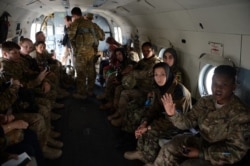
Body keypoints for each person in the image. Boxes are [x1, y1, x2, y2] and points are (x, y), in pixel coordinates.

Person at [153, 65, 250, 166]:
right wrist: (172, 114)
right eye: (215, 83)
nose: (217, 88)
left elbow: (234, 152)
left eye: (224, 84)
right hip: (202, 143)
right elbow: (187, 122)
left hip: (220, 156)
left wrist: (202, 154)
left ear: (233, 87)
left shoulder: (241, 114)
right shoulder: (205, 102)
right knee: (171, 146)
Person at [123, 62, 192, 164]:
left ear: (168, 75)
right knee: (143, 122)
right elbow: (154, 109)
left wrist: (149, 127)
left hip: (180, 123)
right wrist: (145, 123)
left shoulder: (179, 92)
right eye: (156, 75)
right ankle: (140, 150)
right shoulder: (159, 89)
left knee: (152, 131)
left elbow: (174, 121)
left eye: (162, 74)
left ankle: (148, 157)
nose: (159, 78)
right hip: (165, 117)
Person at [109, 42, 161, 127]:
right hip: (139, 86)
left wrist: (133, 72)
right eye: (143, 51)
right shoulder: (143, 61)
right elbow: (135, 65)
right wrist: (130, 66)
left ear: (153, 51)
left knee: (125, 93)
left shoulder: (156, 62)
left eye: (148, 51)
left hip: (147, 90)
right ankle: (118, 111)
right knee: (119, 88)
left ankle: (122, 119)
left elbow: (147, 74)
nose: (145, 53)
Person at [68, 7, 98, 99]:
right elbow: (102, 36)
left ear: (74, 15)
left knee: (81, 73)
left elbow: (71, 36)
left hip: (81, 53)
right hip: (92, 53)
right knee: (91, 72)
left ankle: (81, 93)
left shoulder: (75, 23)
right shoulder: (92, 24)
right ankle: (90, 91)